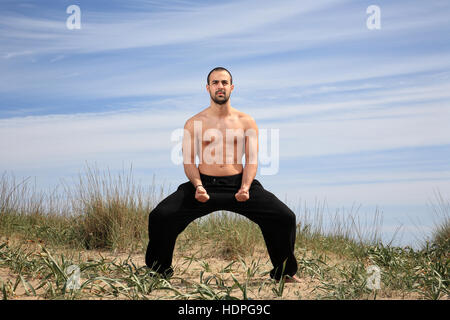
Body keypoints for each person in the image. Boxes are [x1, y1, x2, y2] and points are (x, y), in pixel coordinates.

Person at [145, 67, 300, 282]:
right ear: (208, 88)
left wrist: (245, 187)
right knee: (161, 216)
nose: (220, 87)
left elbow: (252, 159)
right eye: (216, 83)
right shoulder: (194, 122)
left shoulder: (246, 121)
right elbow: (189, 161)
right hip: (204, 184)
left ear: (232, 87)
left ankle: (284, 274)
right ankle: (158, 271)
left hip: (239, 183)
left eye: (225, 83)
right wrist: (198, 186)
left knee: (284, 217)